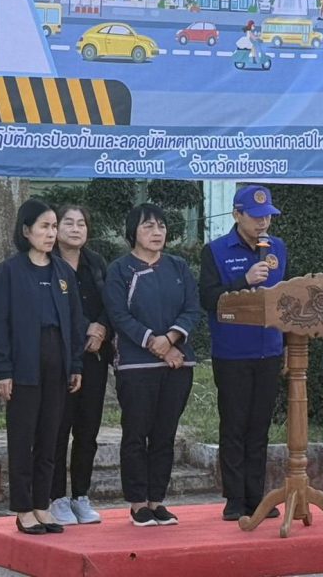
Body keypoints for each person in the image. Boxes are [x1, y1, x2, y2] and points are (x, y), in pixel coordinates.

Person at [0, 199, 85, 535]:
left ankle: (43, 505)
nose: (51, 233)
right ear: (26, 230)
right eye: (44, 226)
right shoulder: (9, 271)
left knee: (51, 437)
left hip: (57, 364)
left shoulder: (63, 272)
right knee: (23, 438)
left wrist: (75, 364)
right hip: (23, 366)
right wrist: (3, 370)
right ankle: (23, 508)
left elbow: (75, 321)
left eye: (54, 227)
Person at [104, 203, 201, 526]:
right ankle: (138, 503)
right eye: (148, 226)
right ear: (133, 232)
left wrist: (171, 339)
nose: (157, 232)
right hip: (136, 366)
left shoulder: (178, 267)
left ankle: (157, 500)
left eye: (161, 226)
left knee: (165, 434)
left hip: (177, 366)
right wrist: (155, 344)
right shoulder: (120, 270)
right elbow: (119, 315)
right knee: (136, 433)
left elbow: (192, 308)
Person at [199, 185, 286, 521]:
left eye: (268, 217)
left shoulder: (278, 248)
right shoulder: (216, 251)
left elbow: (285, 298)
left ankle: (256, 497)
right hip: (232, 352)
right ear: (237, 215)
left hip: (269, 350)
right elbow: (209, 298)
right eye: (256, 216)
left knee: (259, 427)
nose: (263, 223)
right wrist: (243, 280)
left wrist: (286, 345)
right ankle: (234, 498)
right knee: (234, 425)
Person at [49, 205, 111, 526]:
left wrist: (101, 328)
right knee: (59, 429)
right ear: (56, 228)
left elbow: (111, 302)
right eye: (68, 223)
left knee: (88, 430)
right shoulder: (47, 263)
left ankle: (81, 496)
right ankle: (56, 497)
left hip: (94, 357)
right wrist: (87, 327)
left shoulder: (96, 263)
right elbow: (55, 309)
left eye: (81, 224)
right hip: (60, 359)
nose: (75, 229)